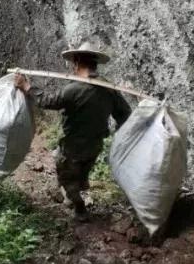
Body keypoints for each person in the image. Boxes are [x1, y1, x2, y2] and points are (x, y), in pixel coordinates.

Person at [14, 42, 130, 219]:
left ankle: (80, 209)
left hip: (73, 147)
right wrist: (118, 134)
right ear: (95, 63)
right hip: (95, 145)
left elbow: (47, 101)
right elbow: (124, 114)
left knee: (66, 177)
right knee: (83, 172)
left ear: (76, 62)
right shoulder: (109, 88)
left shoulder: (73, 90)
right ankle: (81, 192)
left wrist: (27, 87)